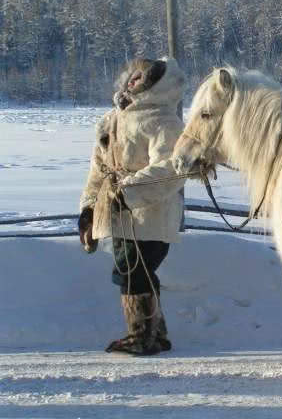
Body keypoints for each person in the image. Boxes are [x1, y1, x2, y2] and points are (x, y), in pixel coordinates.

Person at [78, 57, 186, 355]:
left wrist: (127, 193)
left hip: (151, 215)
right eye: (133, 75)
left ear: (155, 84)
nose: (133, 80)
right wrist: (88, 208)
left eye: (141, 77)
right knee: (136, 270)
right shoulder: (113, 118)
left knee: (132, 270)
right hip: (118, 211)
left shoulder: (164, 122)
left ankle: (141, 335)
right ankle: (155, 334)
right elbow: (99, 167)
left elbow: (171, 169)